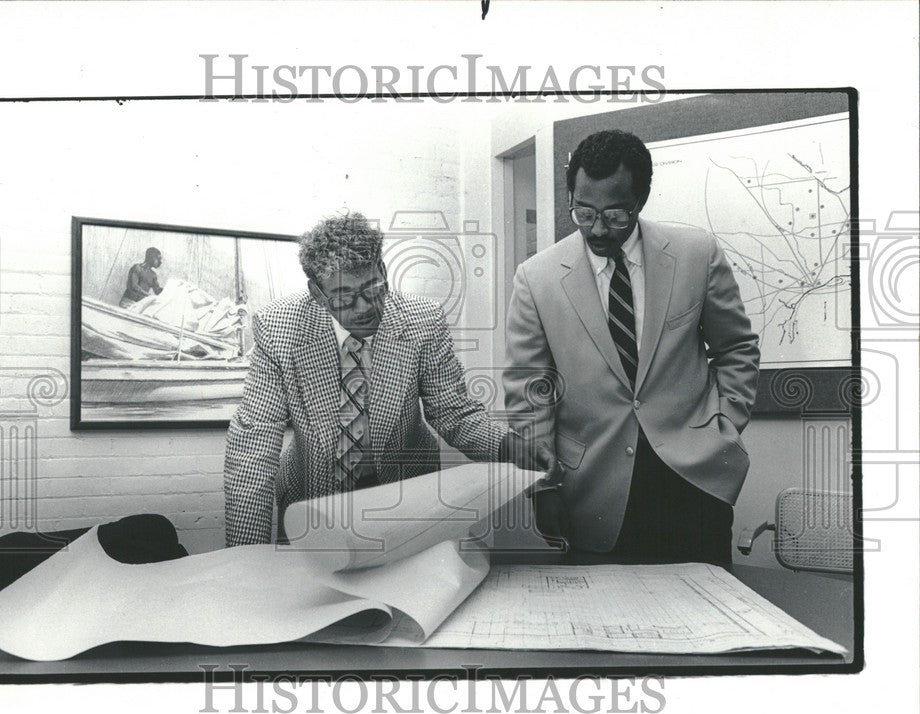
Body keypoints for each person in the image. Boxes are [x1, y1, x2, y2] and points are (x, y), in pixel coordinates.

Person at [503, 130, 760, 565]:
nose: (598, 228)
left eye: (615, 214)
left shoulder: (697, 255)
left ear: (640, 200)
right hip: (589, 495)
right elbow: (531, 390)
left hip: (693, 483)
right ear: (572, 196)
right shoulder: (536, 278)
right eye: (583, 212)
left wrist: (725, 424)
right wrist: (542, 486)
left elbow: (736, 347)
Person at [224, 212, 554, 546]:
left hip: (406, 508)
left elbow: (452, 412)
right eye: (344, 297)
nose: (365, 307)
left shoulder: (422, 321)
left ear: (382, 270)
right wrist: (242, 556)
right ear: (317, 293)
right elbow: (253, 445)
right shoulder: (279, 327)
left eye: (373, 288)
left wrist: (506, 445)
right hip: (312, 505)